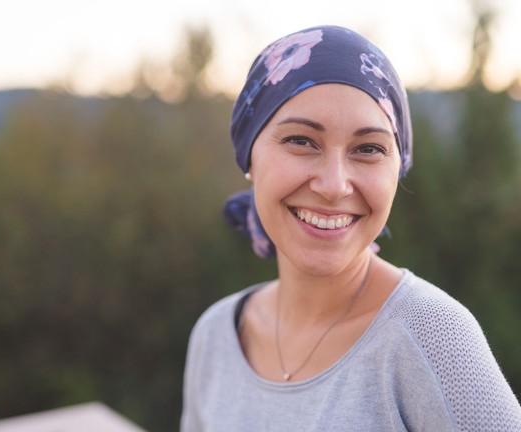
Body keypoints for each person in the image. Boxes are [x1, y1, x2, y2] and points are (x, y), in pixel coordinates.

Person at [180, 25, 521, 431]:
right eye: (301, 141)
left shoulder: (433, 336)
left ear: (399, 169)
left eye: (368, 149)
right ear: (249, 156)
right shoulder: (216, 336)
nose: (335, 184)